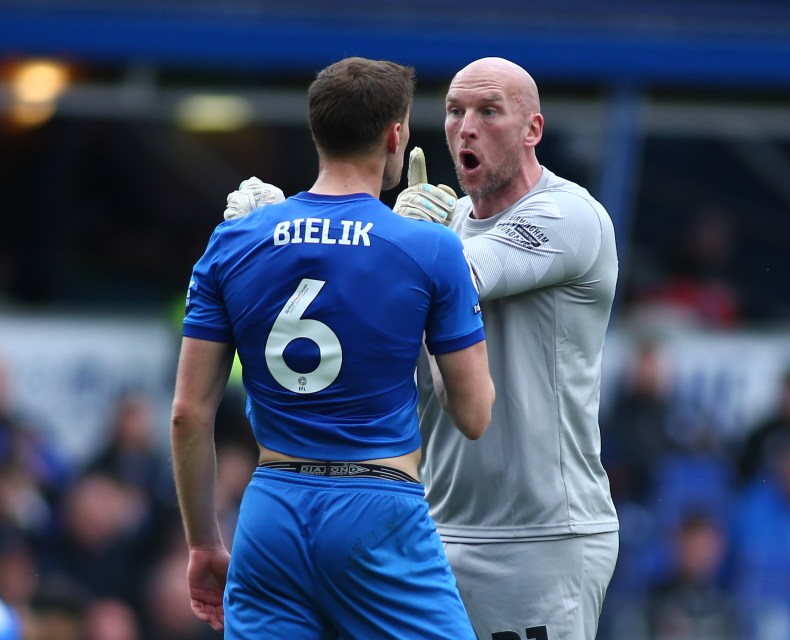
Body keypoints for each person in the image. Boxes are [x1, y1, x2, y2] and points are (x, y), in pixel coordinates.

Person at [223, 55, 619, 640]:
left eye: (490, 112)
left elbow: (434, 275)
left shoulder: (568, 217)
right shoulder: (433, 228)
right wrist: (279, 232)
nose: (466, 127)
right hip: (426, 524)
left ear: (533, 130)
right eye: (455, 112)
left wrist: (284, 234)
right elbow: (362, 292)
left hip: (538, 536)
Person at [170, 56, 494, 640]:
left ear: (318, 133)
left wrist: (202, 543)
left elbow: (188, 415)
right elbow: (472, 414)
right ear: (395, 136)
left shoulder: (235, 239)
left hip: (270, 511)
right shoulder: (428, 247)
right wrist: (444, 285)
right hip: (377, 507)